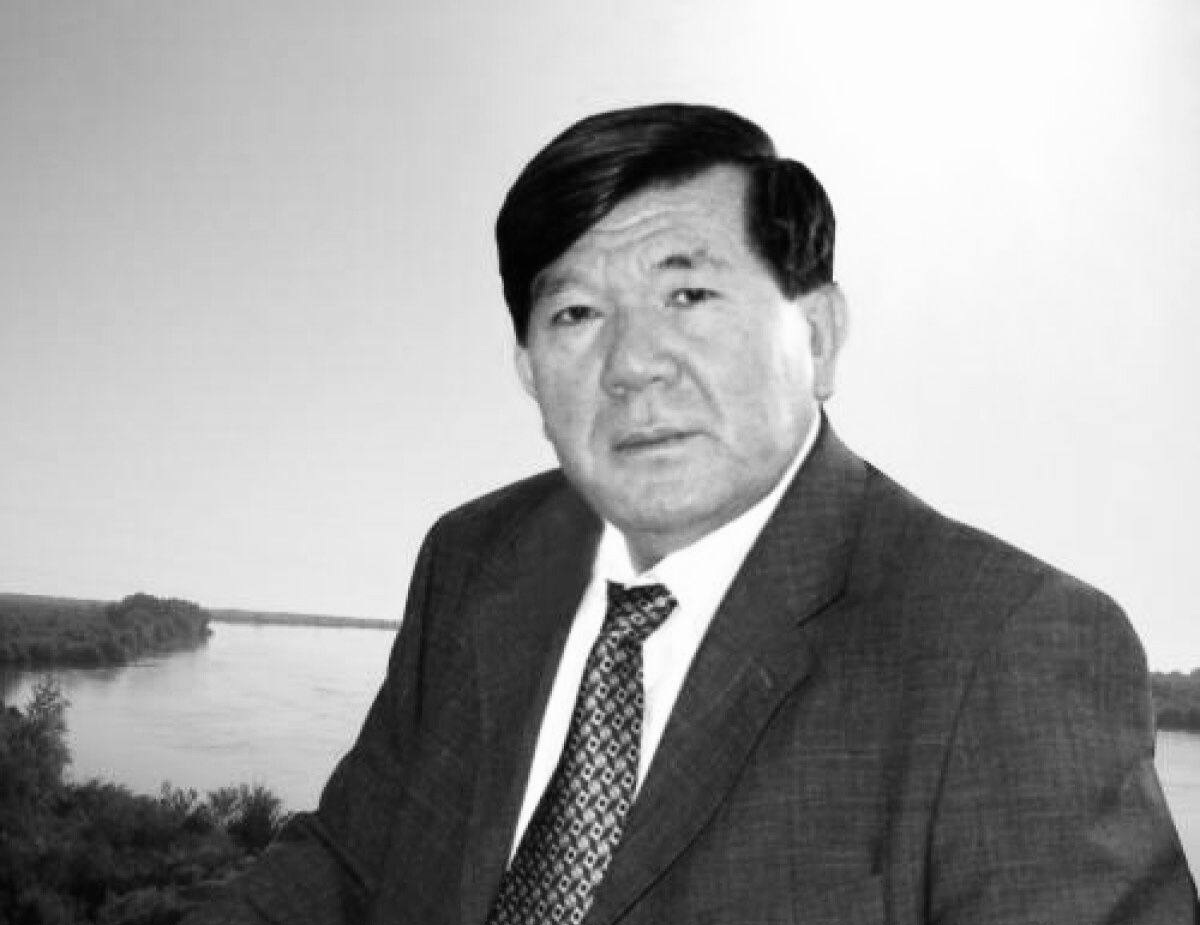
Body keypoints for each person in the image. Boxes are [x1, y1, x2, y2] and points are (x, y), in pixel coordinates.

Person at [183, 103, 1197, 924]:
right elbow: (352, 864)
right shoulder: (474, 556)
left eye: (690, 296)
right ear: (529, 371)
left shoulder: (1007, 649)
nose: (633, 364)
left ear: (818, 334)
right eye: (576, 313)